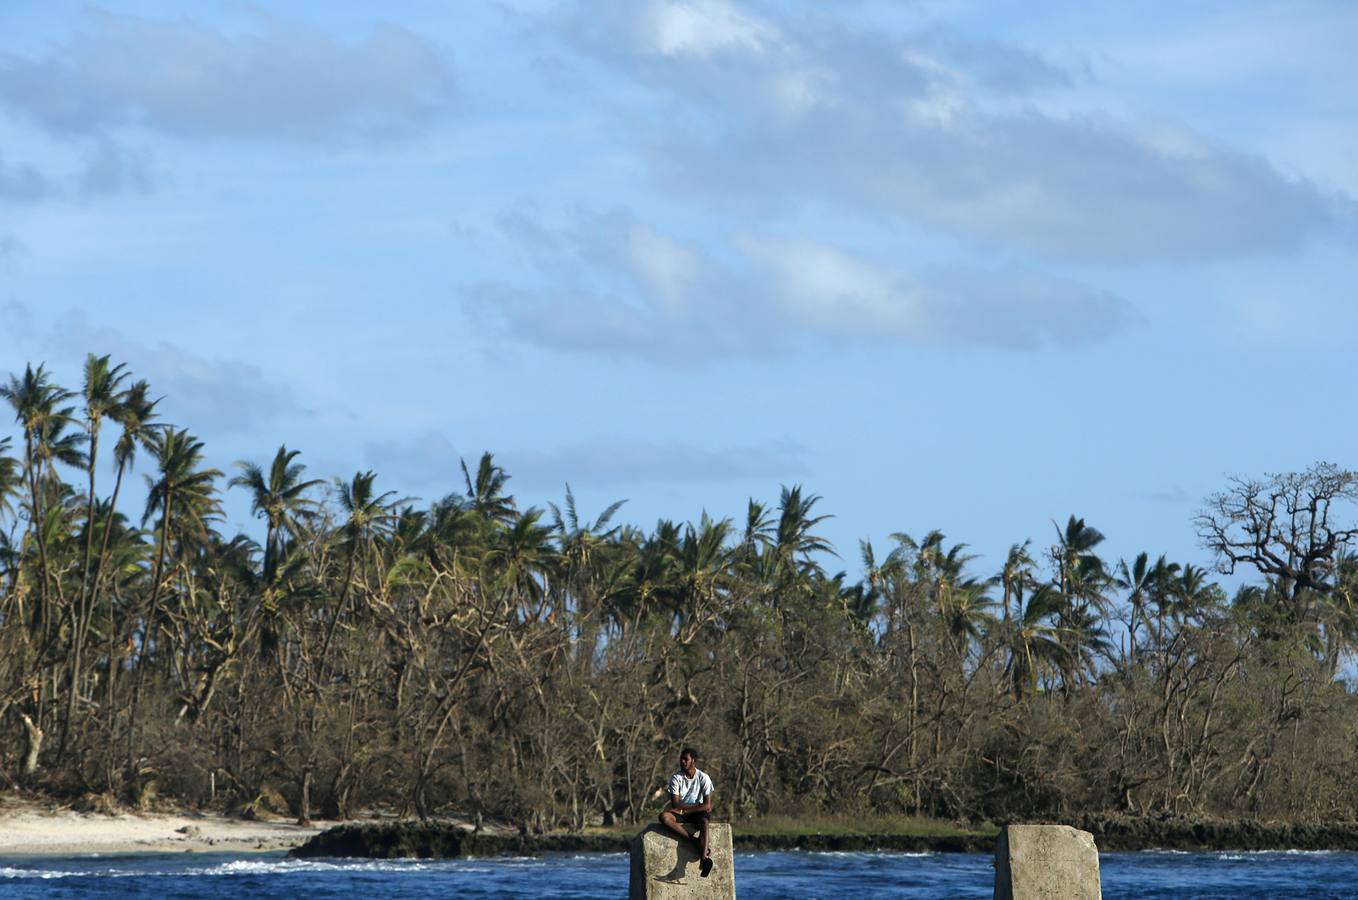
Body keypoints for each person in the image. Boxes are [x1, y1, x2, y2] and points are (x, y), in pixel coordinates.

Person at [659, 746, 716, 877]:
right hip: (683, 813)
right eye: (681, 759)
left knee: (704, 822)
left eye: (686, 759)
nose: (682, 762)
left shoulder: (703, 778)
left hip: (696, 814)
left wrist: (687, 808)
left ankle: (704, 860)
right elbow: (675, 803)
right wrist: (696, 805)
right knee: (664, 817)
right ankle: (695, 842)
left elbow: (707, 805)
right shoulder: (676, 778)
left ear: (693, 761)